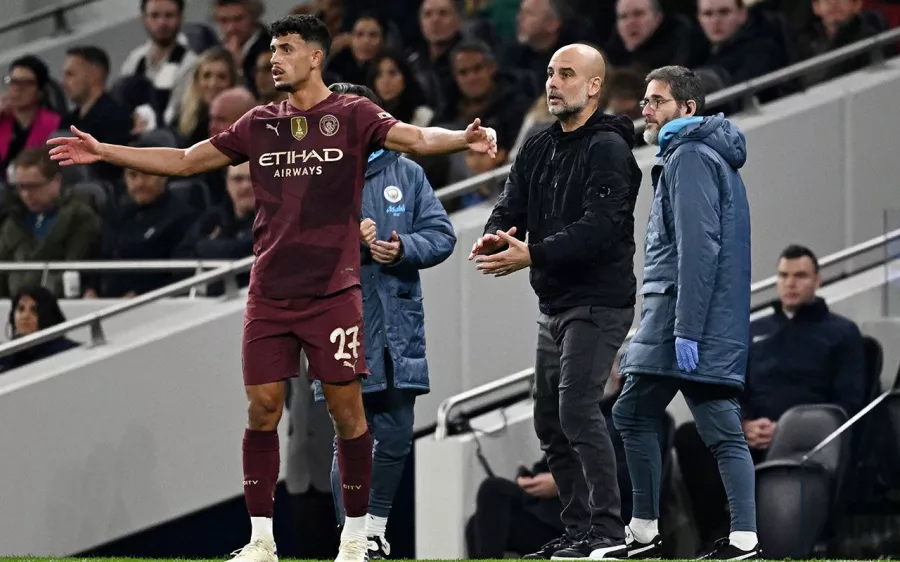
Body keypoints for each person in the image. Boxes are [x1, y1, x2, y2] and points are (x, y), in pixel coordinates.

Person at [47, 14, 496, 562]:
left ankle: (356, 537)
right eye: (272, 50)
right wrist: (108, 152)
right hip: (270, 292)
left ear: (315, 57)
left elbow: (420, 138)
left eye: (285, 49)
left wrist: (464, 138)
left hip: (333, 292)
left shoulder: (353, 114)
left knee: (349, 415)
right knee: (262, 411)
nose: (273, 59)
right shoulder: (259, 122)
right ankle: (261, 539)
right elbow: (187, 161)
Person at [470, 43, 642, 560]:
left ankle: (609, 533)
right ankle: (580, 529)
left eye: (567, 74)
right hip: (554, 304)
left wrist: (533, 255)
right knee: (551, 418)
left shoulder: (609, 148)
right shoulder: (538, 145)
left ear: (594, 86)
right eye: (549, 72)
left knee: (577, 409)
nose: (553, 82)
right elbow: (509, 203)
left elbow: (602, 229)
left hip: (599, 301)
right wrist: (495, 235)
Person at [611, 65, 759, 560]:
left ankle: (645, 534)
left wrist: (687, 330)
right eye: (645, 101)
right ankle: (743, 540)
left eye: (656, 101)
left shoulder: (690, 156)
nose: (645, 110)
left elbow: (698, 250)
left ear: (687, 109)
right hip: (693, 319)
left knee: (632, 413)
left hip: (683, 320)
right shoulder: (705, 155)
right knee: (717, 424)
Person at [318, 82, 457, 559]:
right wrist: (349, 243)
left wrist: (401, 249)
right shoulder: (309, 179)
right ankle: (352, 536)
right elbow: (288, 253)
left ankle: (372, 530)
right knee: (351, 432)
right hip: (341, 321)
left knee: (397, 429)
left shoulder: (407, 172)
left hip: (398, 321)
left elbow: (441, 235)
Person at [1, 285, 79, 373]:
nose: (25, 316)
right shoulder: (6, 356)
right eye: (21, 309)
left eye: (34, 310)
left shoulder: (68, 352)